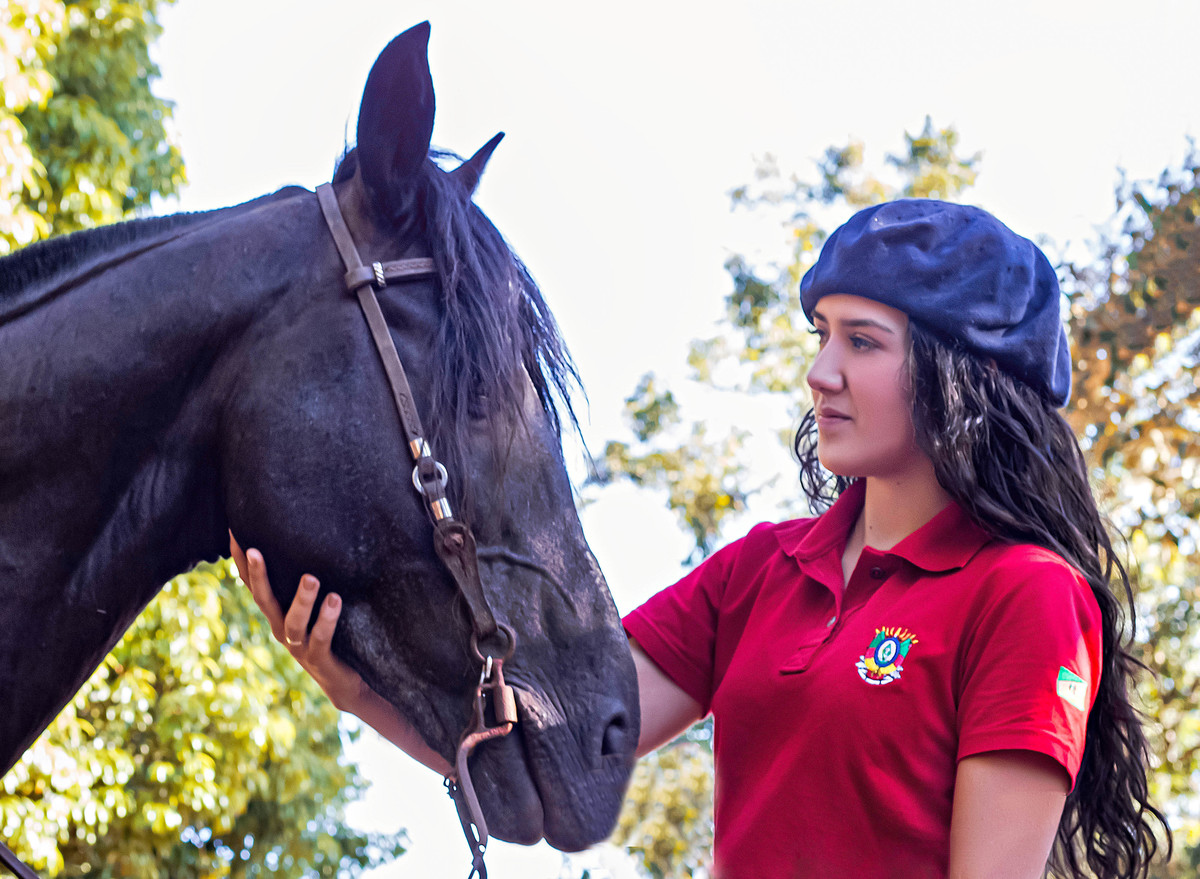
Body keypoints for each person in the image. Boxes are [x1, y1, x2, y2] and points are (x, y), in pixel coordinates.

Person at [233, 199, 1169, 878]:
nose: (820, 372)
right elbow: (550, 751)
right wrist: (361, 686)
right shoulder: (763, 571)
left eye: (863, 342)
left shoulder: (1027, 594)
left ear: (963, 374)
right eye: (821, 334)